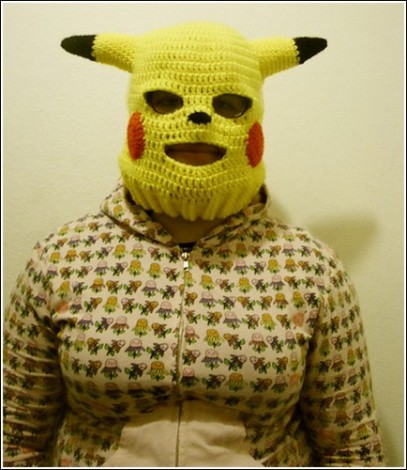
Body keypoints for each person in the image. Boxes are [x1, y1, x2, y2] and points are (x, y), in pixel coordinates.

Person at [2, 21, 385, 467]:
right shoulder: (62, 259)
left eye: (228, 104)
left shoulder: (310, 268)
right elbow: (13, 438)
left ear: (255, 125)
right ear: (135, 117)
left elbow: (351, 449)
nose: (199, 118)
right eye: (166, 100)